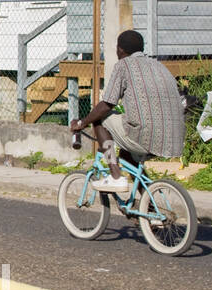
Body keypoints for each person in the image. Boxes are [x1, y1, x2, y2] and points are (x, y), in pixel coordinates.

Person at [69, 29, 185, 193]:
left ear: (120, 49)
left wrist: (82, 123)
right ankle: (150, 206)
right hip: (173, 139)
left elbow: (107, 104)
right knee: (126, 155)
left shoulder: (123, 66)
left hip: (144, 137)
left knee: (99, 119)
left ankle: (115, 176)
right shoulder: (159, 66)